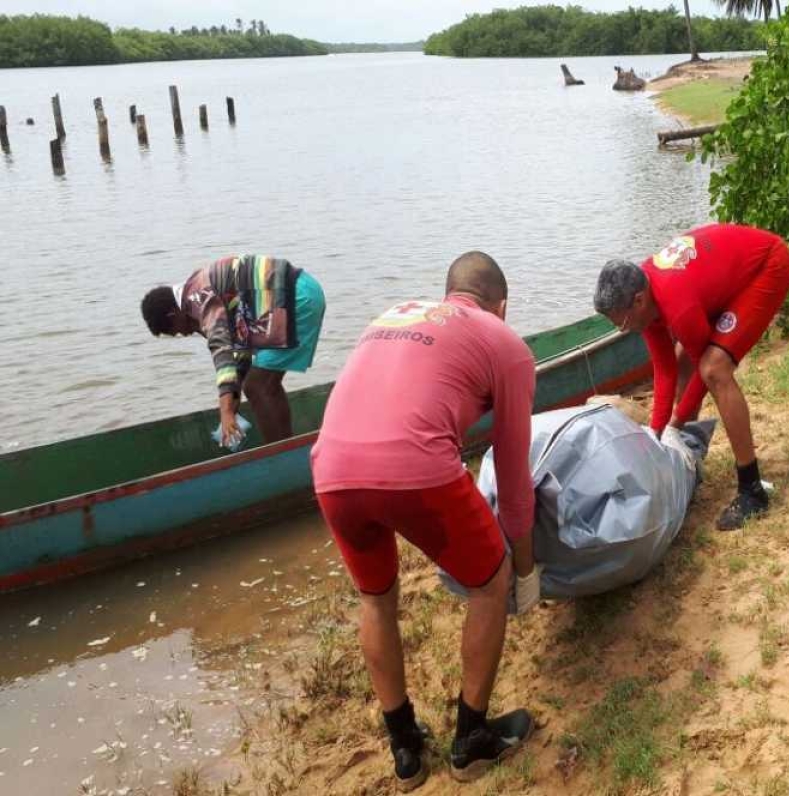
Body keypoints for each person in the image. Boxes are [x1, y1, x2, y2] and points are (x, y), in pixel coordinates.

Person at [310, 252, 541, 790]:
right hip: (414, 465)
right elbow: (512, 479)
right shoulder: (504, 342)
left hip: (331, 470)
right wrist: (525, 574)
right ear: (500, 306)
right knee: (489, 580)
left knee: (376, 598)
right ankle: (472, 741)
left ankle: (406, 750)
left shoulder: (393, 317)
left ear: (447, 295)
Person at [593, 223, 789, 531]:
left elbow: (705, 371)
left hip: (767, 265)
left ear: (638, 301)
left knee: (715, 369)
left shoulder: (675, 301)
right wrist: (656, 432)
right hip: (724, 278)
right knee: (681, 358)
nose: (624, 330)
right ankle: (687, 454)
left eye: (622, 323)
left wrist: (675, 421)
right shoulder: (645, 294)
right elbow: (664, 369)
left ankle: (752, 490)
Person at [140, 255, 326, 445]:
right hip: (296, 292)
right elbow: (241, 352)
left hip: (295, 297)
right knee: (261, 384)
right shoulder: (198, 289)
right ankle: (284, 449)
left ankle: (281, 456)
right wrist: (233, 399)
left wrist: (226, 411)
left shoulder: (198, 298)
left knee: (258, 386)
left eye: (177, 331)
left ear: (173, 314)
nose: (185, 333)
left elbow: (221, 349)